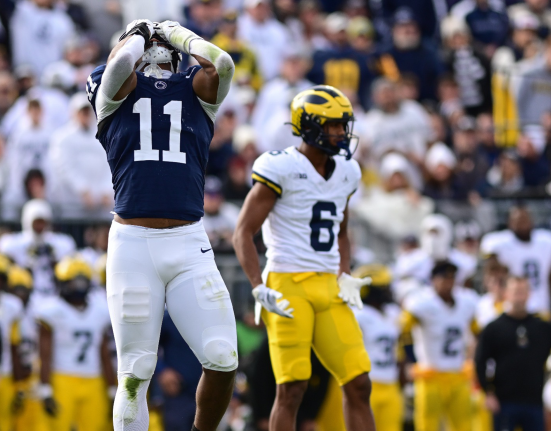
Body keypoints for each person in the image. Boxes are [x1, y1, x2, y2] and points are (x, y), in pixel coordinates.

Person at [85, 19, 238, 431]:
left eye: (160, 42)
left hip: (188, 241)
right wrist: (137, 34)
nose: (155, 47)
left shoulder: (194, 88)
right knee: (136, 371)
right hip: (133, 244)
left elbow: (223, 64)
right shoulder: (111, 83)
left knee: (223, 357)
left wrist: (177, 33)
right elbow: (120, 68)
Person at [233, 85, 375, 431]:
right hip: (287, 284)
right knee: (292, 388)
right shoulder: (280, 167)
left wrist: (345, 273)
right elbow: (243, 232)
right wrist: (257, 285)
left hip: (328, 286)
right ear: (308, 126)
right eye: (332, 125)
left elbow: (341, 230)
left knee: (359, 382)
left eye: (343, 125)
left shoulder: (347, 171)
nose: (341, 132)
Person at [36, 257, 116, 431]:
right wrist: (45, 388)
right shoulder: (51, 310)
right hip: (62, 377)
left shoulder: (100, 310)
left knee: (96, 427)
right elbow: (44, 354)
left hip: (94, 378)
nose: (78, 287)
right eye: (74, 282)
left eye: (82, 282)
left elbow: (104, 353)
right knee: (57, 427)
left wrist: (111, 389)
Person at [401, 261, 479, 431]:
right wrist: (410, 360)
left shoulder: (466, 302)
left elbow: (478, 333)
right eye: (444, 277)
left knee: (464, 425)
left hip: (458, 374)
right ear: (433, 280)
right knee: (427, 425)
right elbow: (403, 333)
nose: (448, 282)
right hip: (430, 375)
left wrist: (473, 359)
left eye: (451, 278)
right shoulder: (421, 303)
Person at [476, 276, 551, 431]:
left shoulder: (542, 327)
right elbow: (480, 360)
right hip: (504, 401)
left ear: (529, 294)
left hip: (535, 401)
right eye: (516, 292)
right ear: (506, 294)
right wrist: (487, 392)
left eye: (523, 291)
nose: (519, 297)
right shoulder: (494, 328)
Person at [352, 264, 403, 431]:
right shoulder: (358, 315)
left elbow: (398, 348)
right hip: (368, 383)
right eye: (383, 287)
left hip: (391, 382)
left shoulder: (393, 313)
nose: (388, 291)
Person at [480, 205, 551, 315]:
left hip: (541, 305)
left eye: (525, 219)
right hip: (512, 305)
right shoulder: (499, 243)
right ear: (510, 223)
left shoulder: (545, 241)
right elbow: (491, 272)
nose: (522, 224)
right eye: (518, 220)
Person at [0, 199, 76, 299]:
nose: (40, 226)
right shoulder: (11, 244)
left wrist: (55, 263)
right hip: (25, 296)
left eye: (42, 222)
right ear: (27, 221)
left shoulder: (61, 243)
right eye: (36, 222)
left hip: (55, 295)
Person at [0, 256, 25, 431]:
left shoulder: (12, 305)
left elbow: (14, 345)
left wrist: (19, 384)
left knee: (5, 422)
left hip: (5, 373)